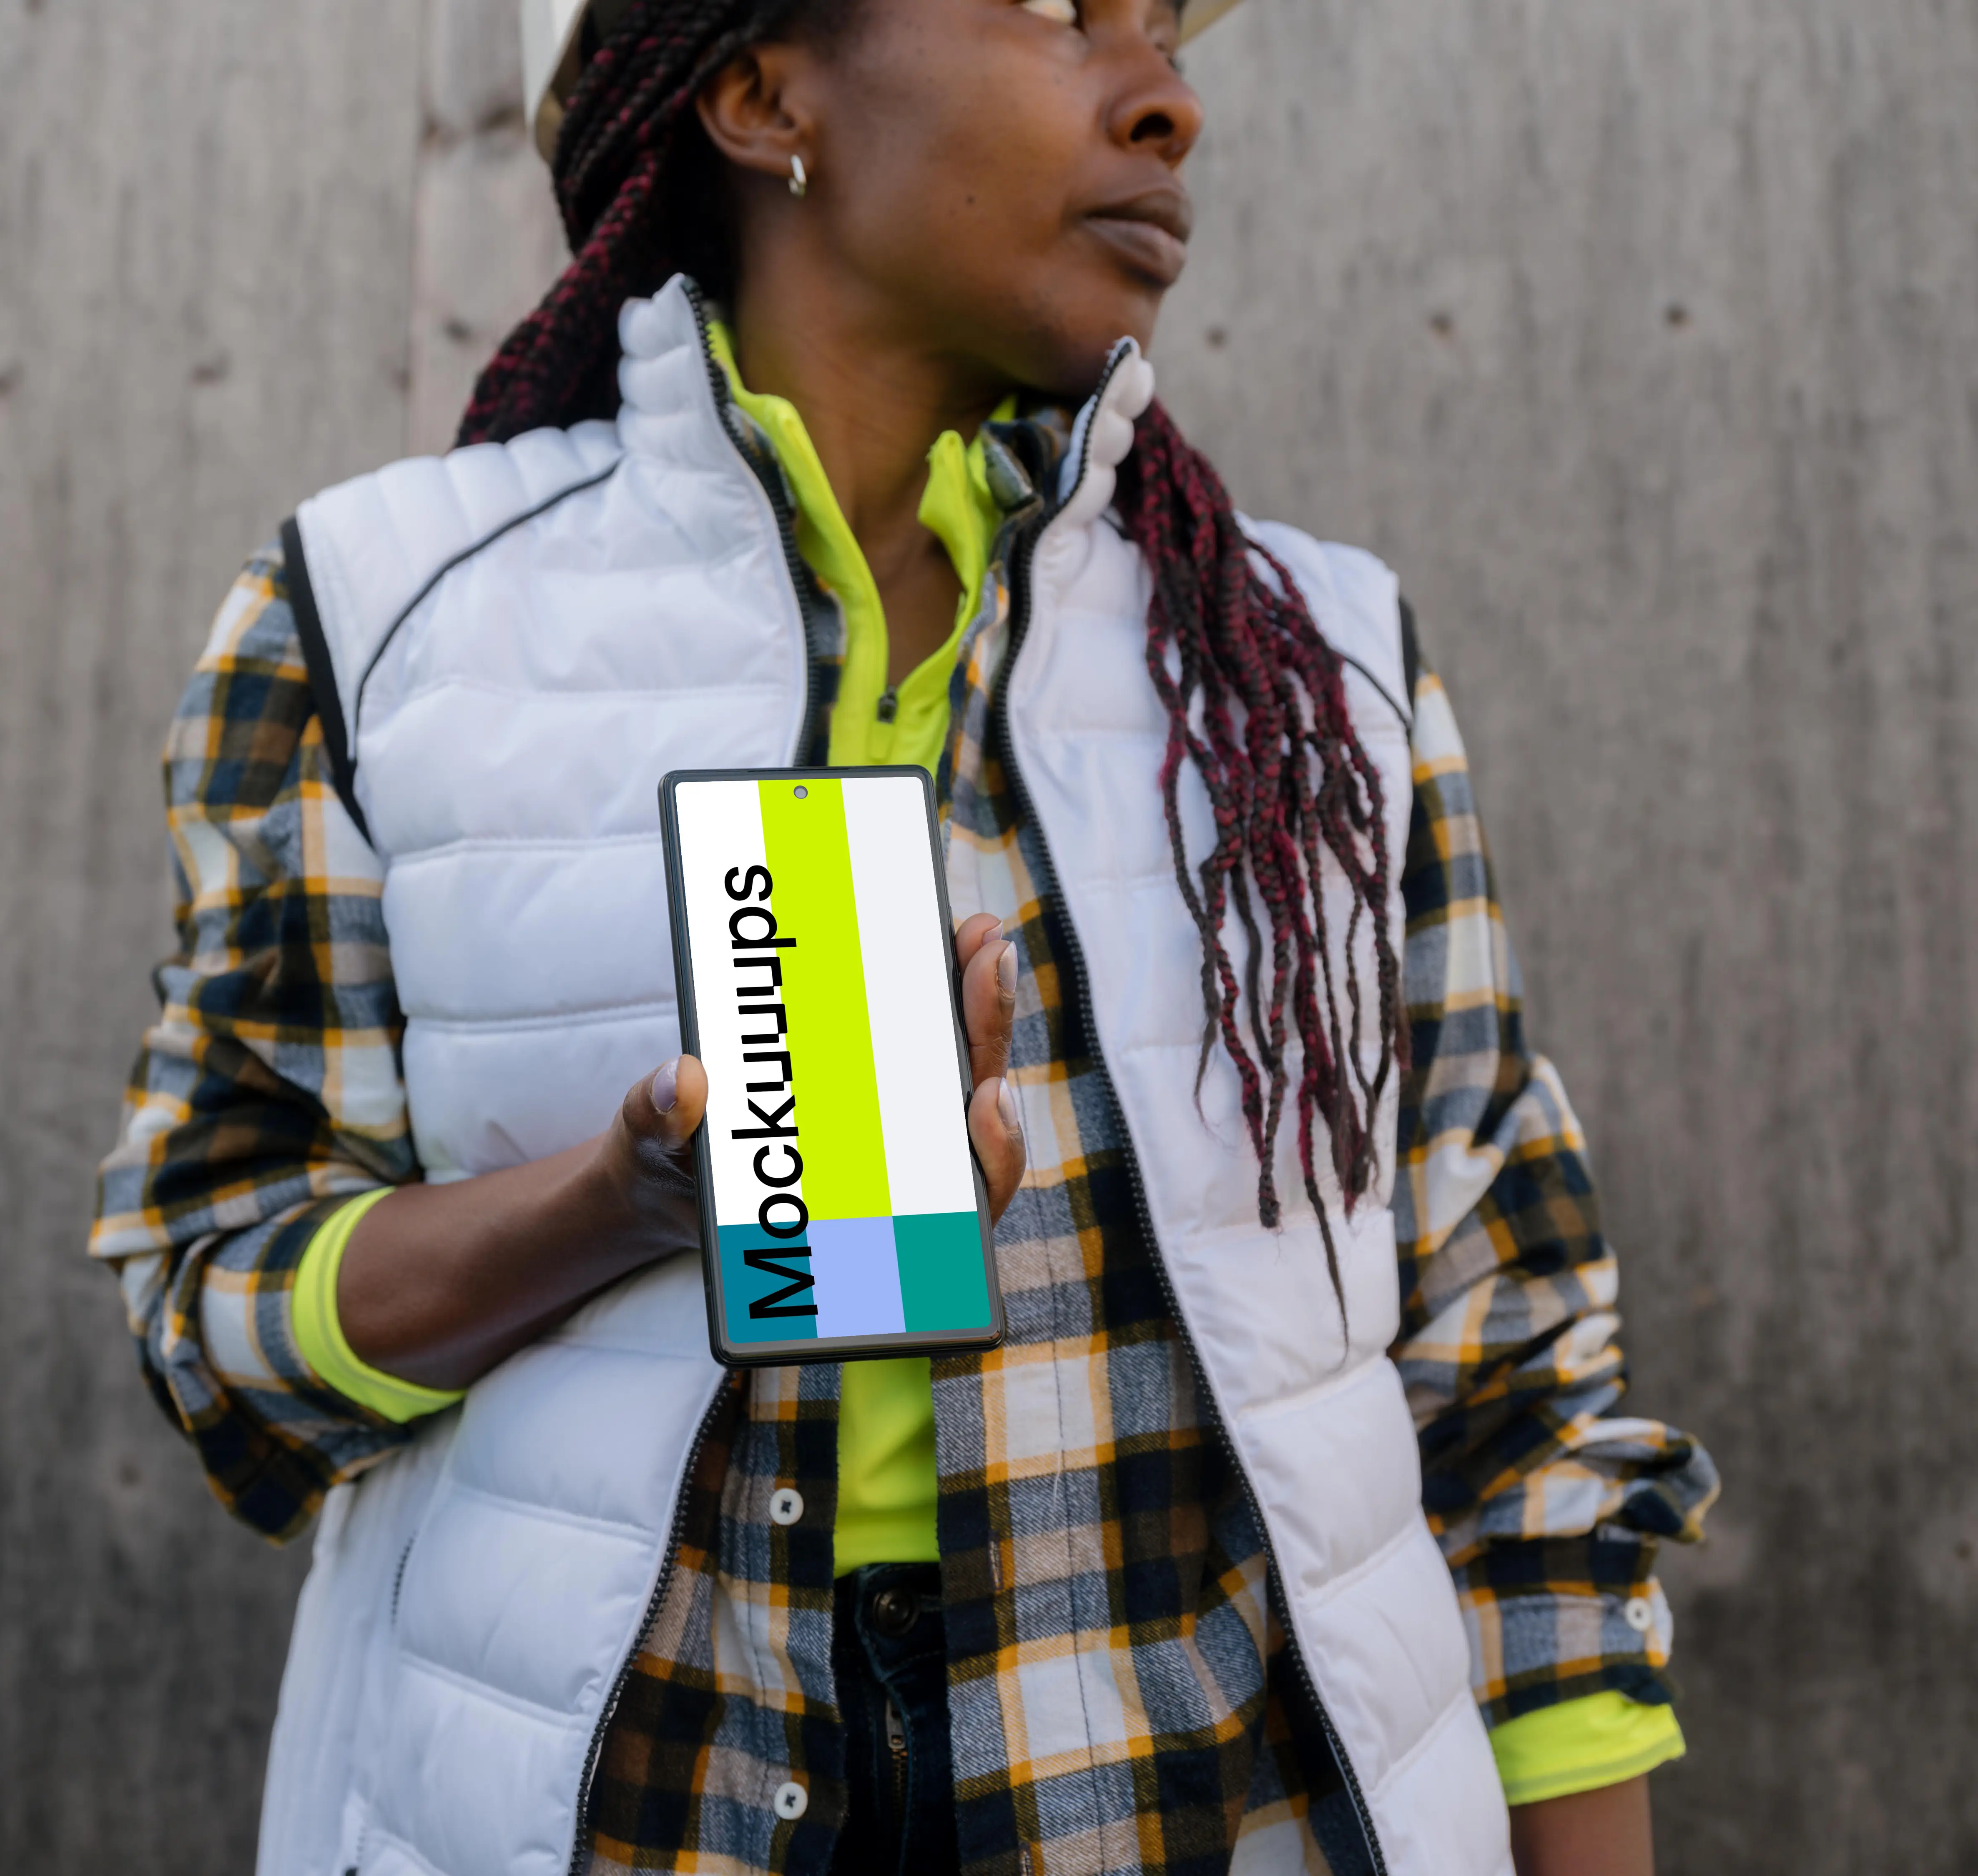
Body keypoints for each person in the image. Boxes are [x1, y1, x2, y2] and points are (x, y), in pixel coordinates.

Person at [90, 2, 1719, 1871]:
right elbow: (216, 1316)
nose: (1167, 98)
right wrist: (617, 1211)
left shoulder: (1313, 682)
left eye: (1168, 32)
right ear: (762, 87)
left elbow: (1514, 1405)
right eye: (1056, 6)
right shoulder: (377, 617)